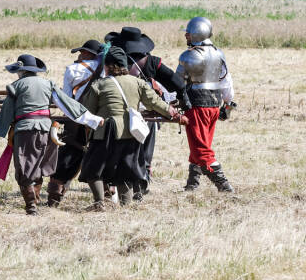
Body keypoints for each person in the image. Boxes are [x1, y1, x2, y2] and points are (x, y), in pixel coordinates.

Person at [0, 54, 102, 214]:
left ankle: (31, 206)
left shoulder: (16, 86)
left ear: (21, 71)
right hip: (46, 129)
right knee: (39, 164)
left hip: (25, 130)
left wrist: (1, 129)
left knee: (24, 166)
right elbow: (67, 104)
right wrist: (90, 119)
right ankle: (35, 201)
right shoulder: (48, 84)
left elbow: (7, 111)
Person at [78, 46, 185, 210]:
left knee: (93, 168)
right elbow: (155, 103)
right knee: (125, 171)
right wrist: (175, 115)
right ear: (125, 66)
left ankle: (99, 203)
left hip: (105, 132)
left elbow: (88, 111)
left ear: (108, 66)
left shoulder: (99, 85)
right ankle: (126, 207)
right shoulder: (138, 82)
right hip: (130, 132)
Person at [110, 26, 184, 199]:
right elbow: (176, 82)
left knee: (121, 152)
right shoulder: (151, 61)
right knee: (145, 153)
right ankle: (142, 184)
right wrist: (180, 99)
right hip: (147, 113)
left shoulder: (112, 59)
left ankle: (121, 186)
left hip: (119, 113)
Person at [176, 17, 235, 192]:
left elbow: (177, 84)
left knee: (201, 149)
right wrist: (227, 104)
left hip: (196, 106)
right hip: (214, 106)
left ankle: (223, 185)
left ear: (196, 33)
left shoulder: (189, 55)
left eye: (188, 31)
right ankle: (192, 184)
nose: (186, 35)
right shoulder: (219, 53)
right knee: (201, 144)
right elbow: (226, 81)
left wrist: (166, 104)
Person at [46, 39, 103, 207]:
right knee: (101, 155)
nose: (79, 55)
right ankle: (106, 195)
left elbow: (67, 98)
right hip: (100, 119)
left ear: (87, 53)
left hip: (77, 118)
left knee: (67, 156)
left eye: (82, 52)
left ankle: (55, 195)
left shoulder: (72, 70)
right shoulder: (106, 70)